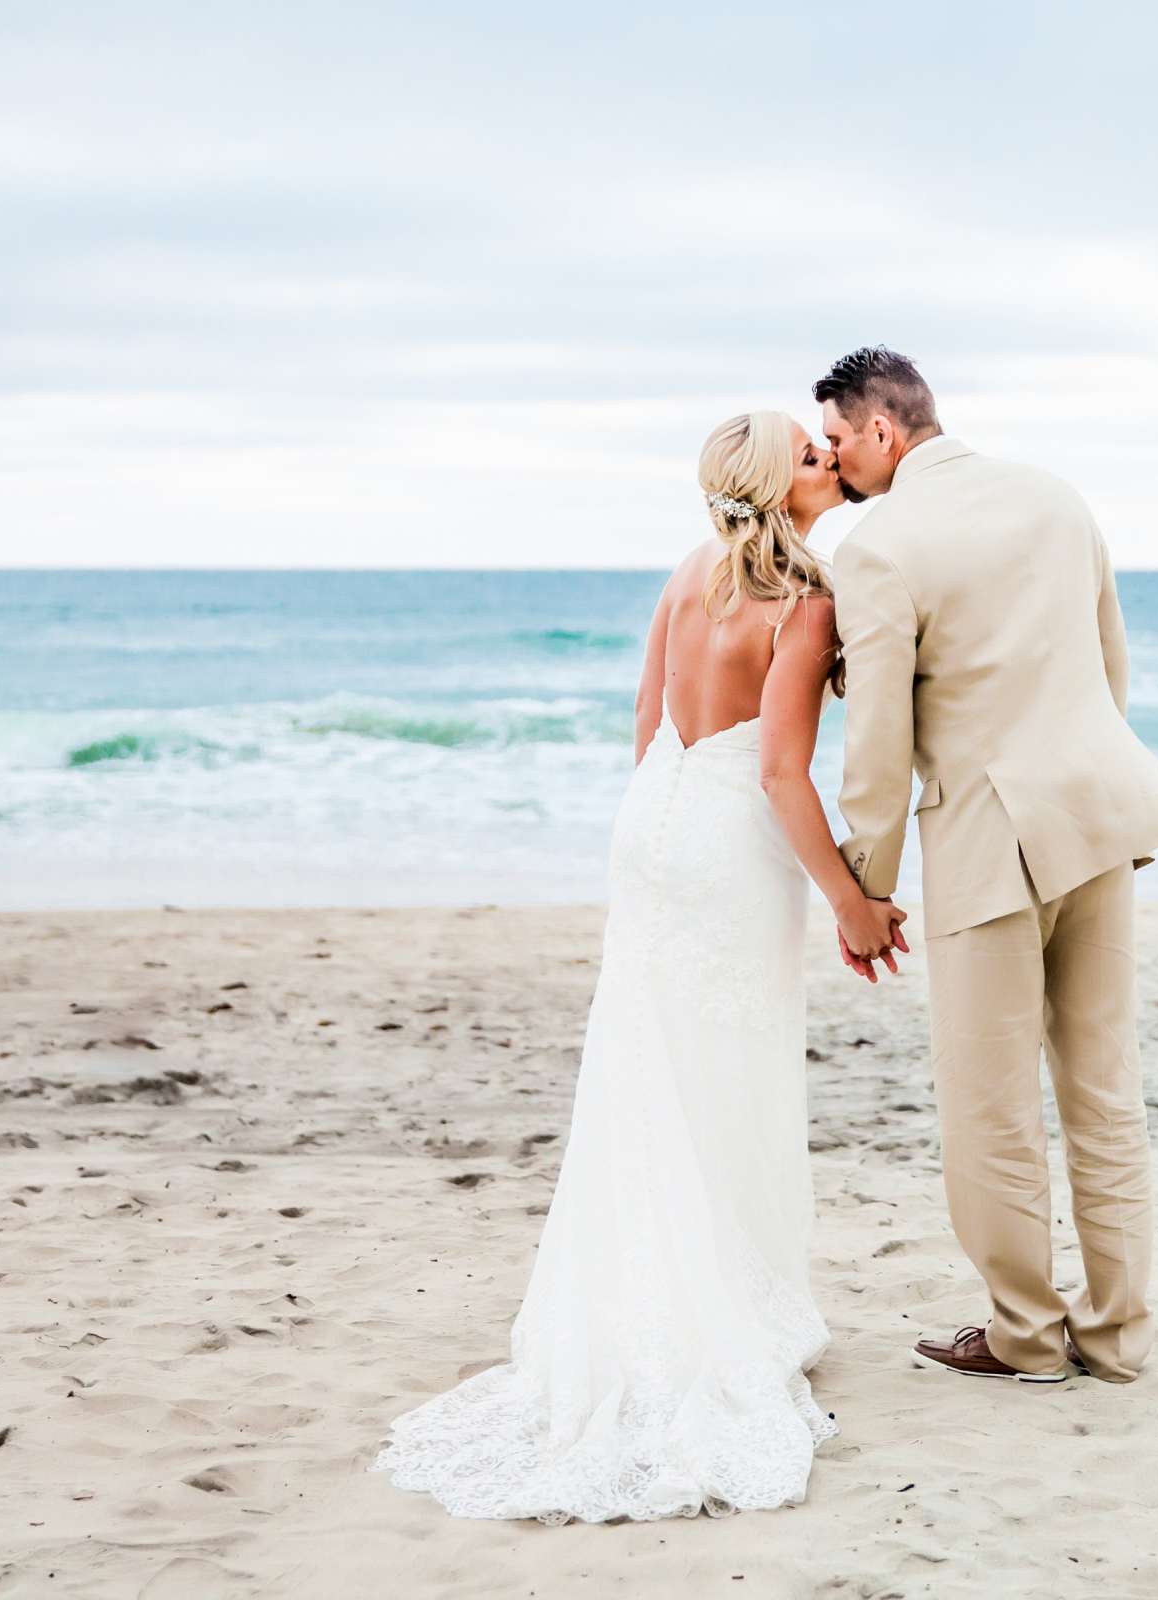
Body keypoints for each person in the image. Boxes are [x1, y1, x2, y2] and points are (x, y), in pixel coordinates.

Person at [372, 410, 903, 1521]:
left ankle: (649, 1297)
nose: (829, 463)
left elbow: (648, 715)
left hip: (653, 820)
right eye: (810, 455)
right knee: (724, 1070)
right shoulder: (804, 605)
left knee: (648, 1064)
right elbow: (779, 777)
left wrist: (657, 820)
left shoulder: (689, 570)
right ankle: (717, 1313)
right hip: (724, 841)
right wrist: (850, 901)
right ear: (776, 484)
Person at [819, 346, 1158, 1385]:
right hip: (1098, 811)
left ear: (882, 433)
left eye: (837, 442)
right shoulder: (1055, 498)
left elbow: (877, 743)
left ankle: (1029, 1337)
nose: (835, 463)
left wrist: (866, 881)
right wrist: (1103, 793)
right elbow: (1108, 657)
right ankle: (1119, 1334)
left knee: (990, 1104)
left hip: (990, 840)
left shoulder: (879, 545)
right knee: (1104, 1086)